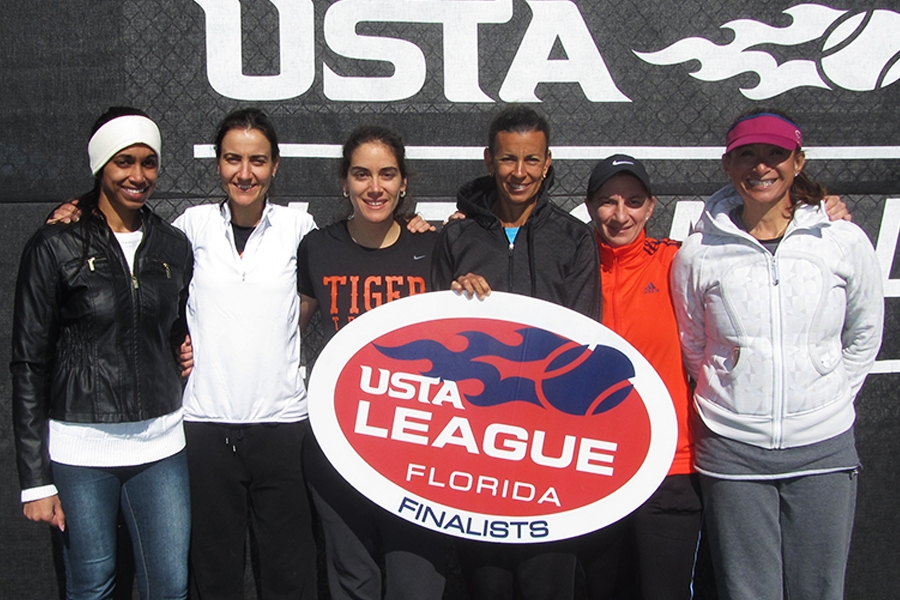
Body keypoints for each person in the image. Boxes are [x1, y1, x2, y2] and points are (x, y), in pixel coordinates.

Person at [670, 109, 883, 600]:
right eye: (747, 154)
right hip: (732, 449)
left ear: (798, 162)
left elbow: (865, 332)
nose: (761, 166)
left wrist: (826, 393)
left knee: (819, 589)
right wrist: (736, 393)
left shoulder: (842, 239)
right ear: (728, 165)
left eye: (775, 154)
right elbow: (694, 343)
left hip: (823, 447)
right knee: (747, 592)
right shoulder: (699, 253)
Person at [11, 107, 193, 599]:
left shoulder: (173, 245)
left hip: (160, 445)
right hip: (80, 449)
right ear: (100, 166)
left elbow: (173, 325)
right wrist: (35, 480)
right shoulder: (55, 245)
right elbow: (28, 364)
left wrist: (183, 345)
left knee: (170, 587)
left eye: (149, 162)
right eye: (124, 162)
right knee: (92, 586)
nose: (138, 176)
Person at [432, 106, 600, 600]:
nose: (519, 172)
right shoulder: (457, 236)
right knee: (488, 586)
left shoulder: (573, 238)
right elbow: (439, 337)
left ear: (547, 163)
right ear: (489, 160)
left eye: (531, 160)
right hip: (476, 448)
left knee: (547, 584)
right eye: (508, 159)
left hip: (549, 450)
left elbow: (583, 344)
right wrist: (456, 298)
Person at [173, 108, 319, 599]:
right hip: (205, 426)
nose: (244, 172)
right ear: (218, 163)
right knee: (214, 573)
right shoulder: (191, 226)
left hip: (281, 426)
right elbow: (135, 259)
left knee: (288, 573)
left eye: (257, 160)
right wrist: (79, 207)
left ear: (274, 165)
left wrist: (412, 223)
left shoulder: (299, 227)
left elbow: (344, 265)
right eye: (233, 159)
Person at [298, 125, 446, 600]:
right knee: (353, 582)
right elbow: (285, 326)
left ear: (404, 183)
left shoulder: (435, 248)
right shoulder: (318, 248)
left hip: (418, 445)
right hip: (340, 441)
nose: (375, 187)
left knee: (416, 586)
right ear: (344, 182)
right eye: (362, 174)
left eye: (387, 174)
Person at [579, 155, 700, 600]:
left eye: (633, 201)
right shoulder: (571, 266)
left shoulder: (678, 261)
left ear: (651, 207)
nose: (620, 214)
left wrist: (817, 210)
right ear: (589, 206)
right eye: (607, 201)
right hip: (594, 467)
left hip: (670, 466)